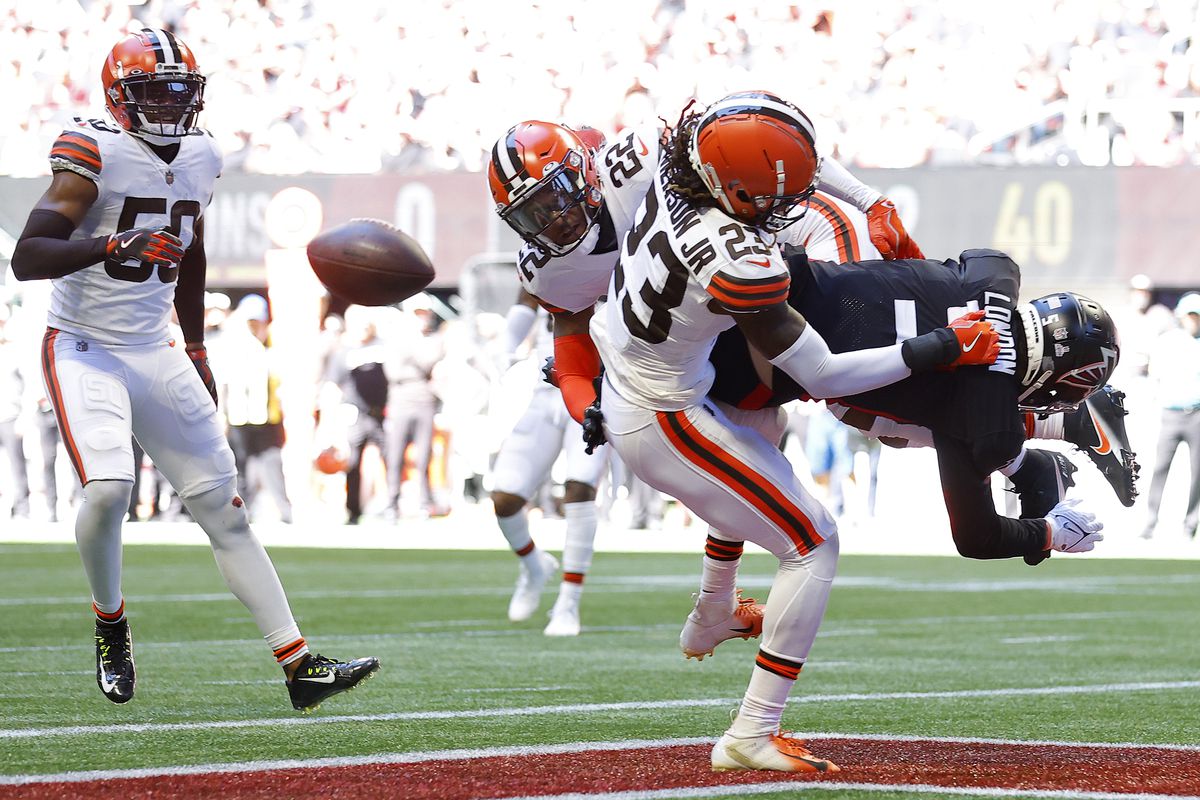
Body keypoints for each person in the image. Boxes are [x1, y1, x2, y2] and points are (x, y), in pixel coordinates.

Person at [588, 91, 999, 773]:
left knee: (759, 433)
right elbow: (828, 375)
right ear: (734, 190)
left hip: (642, 365)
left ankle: (711, 614)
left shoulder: (671, 149)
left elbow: (769, 139)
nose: (788, 206)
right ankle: (750, 733)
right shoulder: (732, 258)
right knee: (813, 541)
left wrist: (869, 200)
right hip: (663, 417)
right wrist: (939, 347)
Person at [9, 29, 377, 711]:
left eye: (182, 93)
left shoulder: (204, 154)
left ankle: (300, 667)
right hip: (85, 343)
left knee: (225, 510)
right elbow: (28, 256)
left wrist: (199, 348)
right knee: (108, 489)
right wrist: (111, 243)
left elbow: (193, 251)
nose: (171, 107)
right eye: (156, 93)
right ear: (121, 99)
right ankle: (110, 623)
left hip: (156, 348)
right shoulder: (92, 150)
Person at [708, 249, 1122, 565]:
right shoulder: (989, 425)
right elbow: (977, 539)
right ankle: (1034, 457)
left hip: (765, 274)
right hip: (751, 369)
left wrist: (993, 330)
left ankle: (716, 605)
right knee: (817, 529)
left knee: (871, 418)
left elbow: (992, 260)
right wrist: (1049, 534)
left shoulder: (988, 278)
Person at [489, 288, 607, 636]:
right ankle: (534, 565)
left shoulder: (622, 248)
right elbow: (527, 297)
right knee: (504, 497)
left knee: (580, 486)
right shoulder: (548, 248)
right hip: (546, 390)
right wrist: (505, 347)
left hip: (599, 388)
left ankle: (568, 602)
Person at [214, 294, 293, 523]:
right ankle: (241, 512)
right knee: (240, 470)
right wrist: (223, 415)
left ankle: (284, 512)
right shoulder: (232, 345)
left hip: (267, 417)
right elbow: (224, 381)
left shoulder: (271, 344)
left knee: (272, 465)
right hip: (239, 416)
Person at [1141, 293, 1200, 540]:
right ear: (1181, 316)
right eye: (1190, 316)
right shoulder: (1167, 342)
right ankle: (1150, 520)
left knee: (1197, 471)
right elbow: (1155, 376)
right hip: (1170, 412)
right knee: (1160, 467)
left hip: (1197, 413)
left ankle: (1190, 523)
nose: (1193, 321)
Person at [324, 305, 389, 524]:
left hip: (382, 412)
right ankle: (353, 510)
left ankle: (391, 506)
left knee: (391, 458)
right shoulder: (344, 352)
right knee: (352, 463)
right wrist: (330, 421)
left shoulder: (384, 347)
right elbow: (333, 385)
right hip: (354, 414)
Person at [384, 294, 444, 519]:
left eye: (424, 313)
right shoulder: (397, 339)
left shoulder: (434, 340)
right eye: (417, 313)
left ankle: (424, 502)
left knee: (424, 455)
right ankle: (392, 503)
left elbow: (429, 361)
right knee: (395, 454)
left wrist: (416, 357)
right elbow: (394, 373)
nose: (422, 318)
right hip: (401, 401)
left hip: (425, 401)